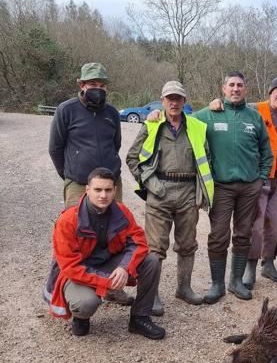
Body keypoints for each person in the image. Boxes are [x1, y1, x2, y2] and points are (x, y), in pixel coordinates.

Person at [201, 76, 277, 289]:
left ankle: (267, 264)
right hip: (252, 179)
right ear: (269, 92)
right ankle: (246, 271)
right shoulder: (254, 109)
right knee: (253, 227)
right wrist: (214, 102)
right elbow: (229, 107)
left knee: (276, 226)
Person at [43, 167, 165, 339]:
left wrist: (124, 268)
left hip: (106, 264)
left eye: (108, 190)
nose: (103, 195)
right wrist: (107, 282)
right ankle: (81, 317)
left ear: (115, 190)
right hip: (76, 273)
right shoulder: (68, 221)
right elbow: (71, 267)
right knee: (86, 303)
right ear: (87, 190)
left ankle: (140, 317)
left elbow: (138, 243)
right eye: (98, 189)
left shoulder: (122, 212)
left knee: (151, 260)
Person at [48, 62, 132, 306]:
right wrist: (71, 175)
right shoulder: (66, 110)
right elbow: (55, 148)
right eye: (93, 84)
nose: (98, 88)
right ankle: (60, 286)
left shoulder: (112, 114)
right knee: (72, 233)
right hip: (78, 183)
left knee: (116, 231)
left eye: (102, 85)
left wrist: (108, 176)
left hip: (111, 180)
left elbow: (114, 145)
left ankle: (113, 286)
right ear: (82, 85)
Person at [126, 81, 213, 316]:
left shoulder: (196, 127)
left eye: (178, 98)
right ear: (162, 101)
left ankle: (184, 288)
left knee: (187, 245)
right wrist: (150, 184)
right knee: (155, 248)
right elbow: (132, 158)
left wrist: (201, 192)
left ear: (184, 102)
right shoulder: (152, 125)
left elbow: (207, 160)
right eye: (169, 98)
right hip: (159, 192)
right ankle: (151, 294)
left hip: (187, 193)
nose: (174, 102)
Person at [195, 71, 273, 304]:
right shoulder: (209, 114)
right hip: (221, 187)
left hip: (250, 187)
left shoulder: (254, 117)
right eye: (231, 85)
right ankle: (217, 284)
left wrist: (261, 178)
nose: (236, 89)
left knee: (243, 234)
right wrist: (157, 115)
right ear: (223, 88)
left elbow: (266, 152)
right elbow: (181, 120)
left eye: (240, 85)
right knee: (218, 235)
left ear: (245, 89)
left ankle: (236, 281)